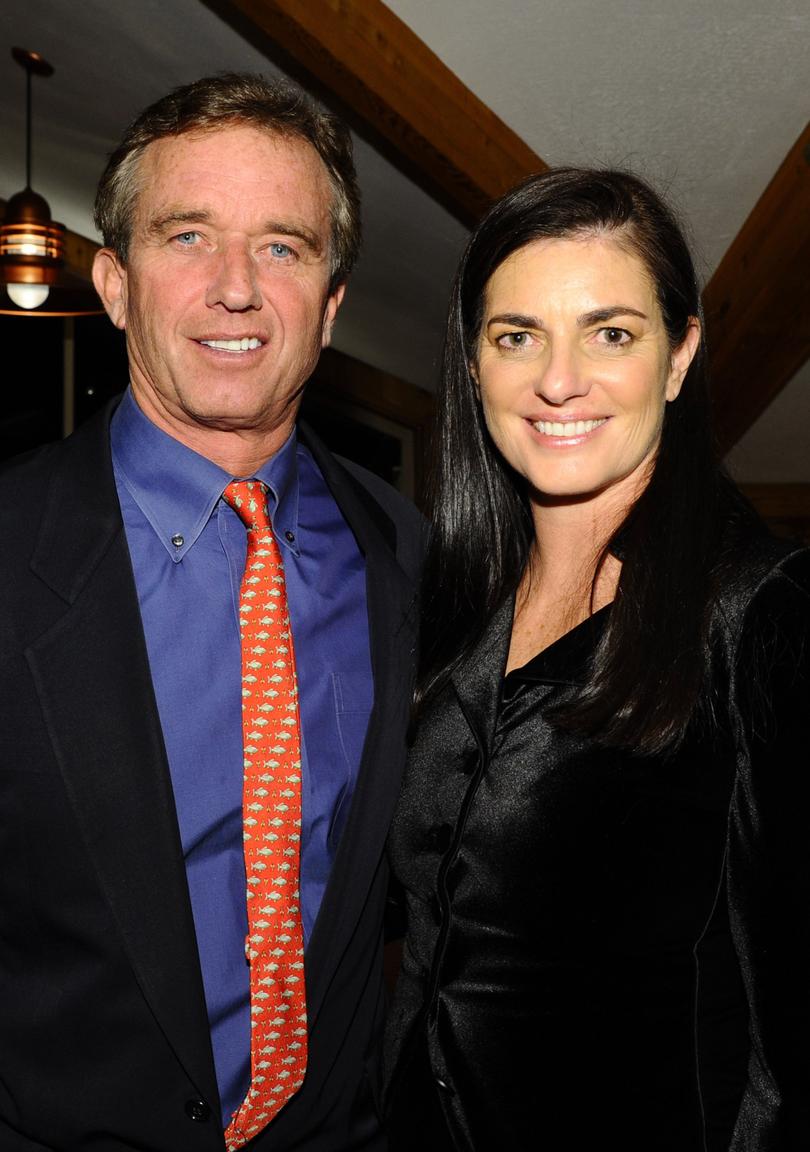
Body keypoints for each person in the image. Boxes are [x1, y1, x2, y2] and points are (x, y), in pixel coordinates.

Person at [0, 73, 422, 1151]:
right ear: (115, 282)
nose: (236, 287)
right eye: (188, 236)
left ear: (329, 308)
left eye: (283, 247)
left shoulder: (408, 555)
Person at [382, 168, 810, 1151]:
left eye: (610, 332)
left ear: (679, 354)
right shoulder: (459, 601)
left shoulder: (761, 613)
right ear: (475, 362)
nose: (558, 379)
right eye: (516, 336)